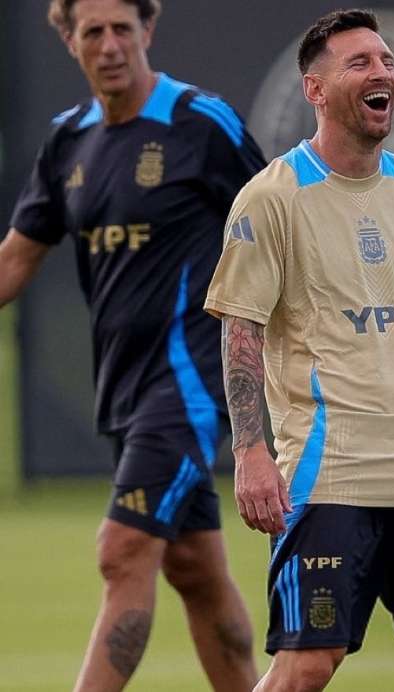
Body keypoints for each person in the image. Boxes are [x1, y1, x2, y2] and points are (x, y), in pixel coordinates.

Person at [204, 8, 394, 692]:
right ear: (314, 89)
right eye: (360, 62)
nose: (382, 73)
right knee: (308, 664)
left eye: (388, 61)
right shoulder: (271, 198)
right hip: (329, 472)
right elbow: (241, 329)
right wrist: (250, 452)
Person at [0, 1, 266, 690]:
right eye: (93, 31)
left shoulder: (201, 123)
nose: (111, 45)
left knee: (122, 551)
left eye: (123, 28)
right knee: (194, 569)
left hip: (190, 383)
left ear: (148, 30)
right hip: (122, 387)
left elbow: (280, 225)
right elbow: (16, 259)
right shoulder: (68, 140)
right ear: (70, 40)